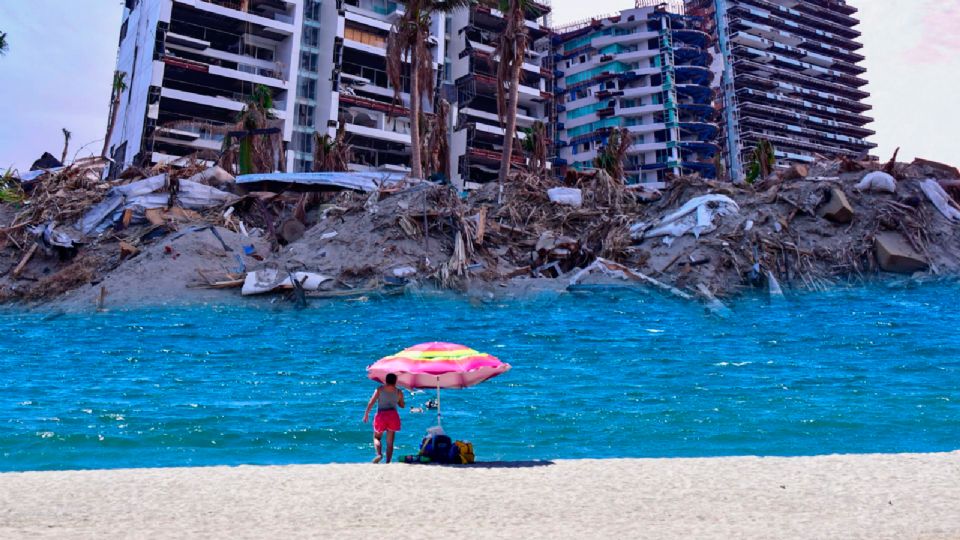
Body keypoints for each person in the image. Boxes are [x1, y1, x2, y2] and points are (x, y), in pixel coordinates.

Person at [362, 373, 405, 463]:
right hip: (393, 416)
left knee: (377, 438)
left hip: (381, 415)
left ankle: (379, 454)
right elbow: (402, 405)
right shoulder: (399, 392)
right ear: (395, 381)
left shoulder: (380, 389)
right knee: (390, 443)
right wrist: (398, 400)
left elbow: (371, 402)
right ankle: (388, 462)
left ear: (386, 380)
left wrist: (366, 414)